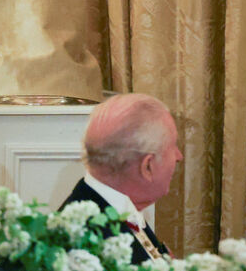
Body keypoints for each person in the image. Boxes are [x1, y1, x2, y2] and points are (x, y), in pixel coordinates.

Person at [60, 93, 183, 264]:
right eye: (172, 146)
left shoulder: (114, 209)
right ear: (147, 166)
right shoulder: (87, 246)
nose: (179, 156)